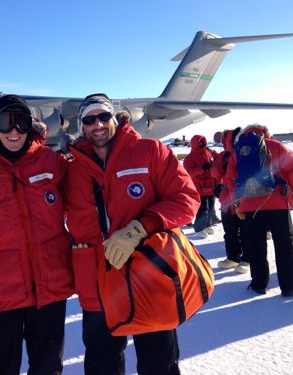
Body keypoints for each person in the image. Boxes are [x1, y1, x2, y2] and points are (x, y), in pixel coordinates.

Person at [64, 93, 200, 375]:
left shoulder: (150, 151)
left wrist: (141, 227)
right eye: (89, 120)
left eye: (103, 116)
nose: (97, 124)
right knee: (102, 364)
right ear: (82, 126)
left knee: (158, 363)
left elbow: (186, 199)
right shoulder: (72, 168)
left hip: (148, 277)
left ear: (114, 117)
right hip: (97, 283)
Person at [0, 94, 74, 374]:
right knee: (3, 366)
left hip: (50, 286)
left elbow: (81, 196)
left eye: (20, 123)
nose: (14, 131)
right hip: (2, 291)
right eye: (5, 123)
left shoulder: (50, 161)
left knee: (48, 366)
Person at [227, 124, 293, 296]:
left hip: (250, 205)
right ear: (267, 133)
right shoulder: (277, 146)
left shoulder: (239, 150)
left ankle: (259, 284)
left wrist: (237, 204)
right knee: (285, 245)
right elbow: (292, 170)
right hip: (278, 203)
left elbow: (231, 179)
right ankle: (290, 286)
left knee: (256, 246)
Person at [211, 128, 250, 274]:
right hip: (227, 201)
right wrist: (222, 166)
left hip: (243, 200)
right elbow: (214, 172)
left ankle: (247, 259)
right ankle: (233, 257)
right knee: (230, 232)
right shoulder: (223, 156)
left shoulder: (246, 153)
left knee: (246, 231)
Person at [183, 135, 219, 239]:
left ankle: (207, 225)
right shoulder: (189, 158)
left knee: (211, 208)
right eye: (199, 143)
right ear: (194, 144)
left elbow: (216, 157)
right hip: (200, 188)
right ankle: (199, 228)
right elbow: (189, 173)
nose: (201, 144)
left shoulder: (208, 153)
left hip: (211, 186)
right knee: (203, 209)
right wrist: (202, 168)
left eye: (202, 142)